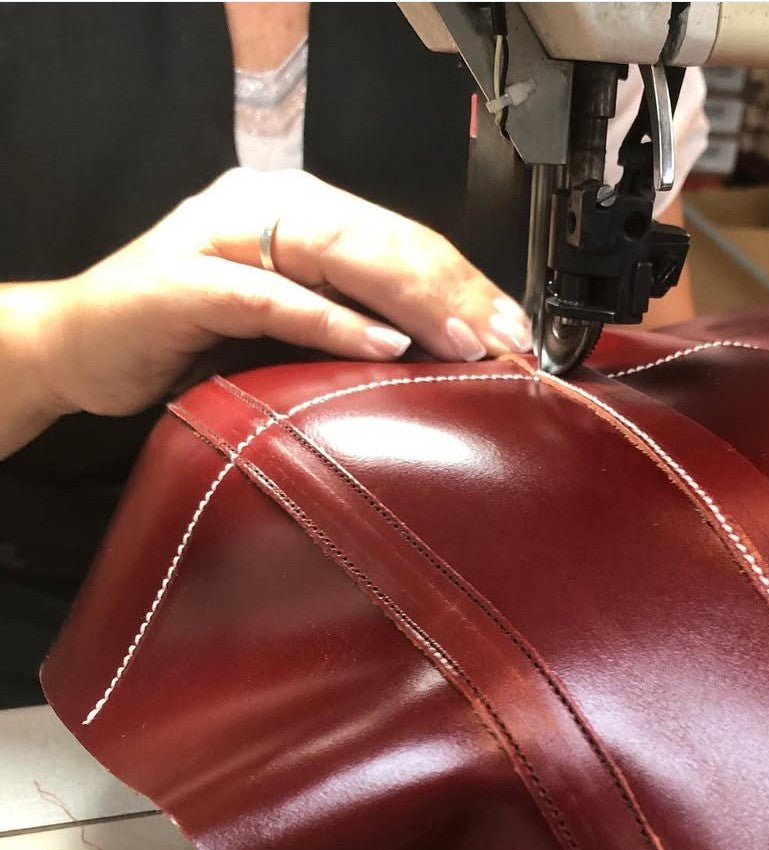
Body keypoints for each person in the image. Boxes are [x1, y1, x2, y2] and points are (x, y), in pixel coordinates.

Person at [0, 3, 708, 706]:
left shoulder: (599, 26)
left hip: (467, 645)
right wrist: (54, 340)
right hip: (48, 636)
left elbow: (650, 379)